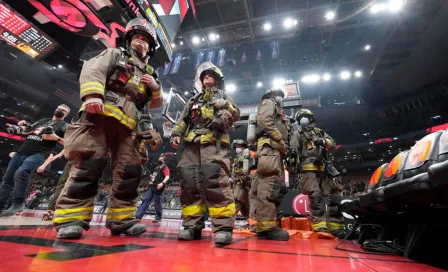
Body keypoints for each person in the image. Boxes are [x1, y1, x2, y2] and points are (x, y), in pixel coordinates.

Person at [53, 18, 163, 239]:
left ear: (150, 48)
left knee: (131, 172)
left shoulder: (150, 74)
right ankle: (71, 219)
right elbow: (92, 69)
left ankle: (122, 220)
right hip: (100, 117)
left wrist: (155, 87)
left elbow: (154, 104)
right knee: (88, 166)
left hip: (130, 128)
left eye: (144, 40)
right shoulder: (115, 54)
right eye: (137, 38)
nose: (140, 43)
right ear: (129, 41)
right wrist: (93, 95)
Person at [170, 63, 239, 245]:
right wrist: (176, 134)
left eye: (211, 75)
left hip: (212, 143)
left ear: (217, 80)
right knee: (189, 182)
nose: (207, 77)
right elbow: (183, 120)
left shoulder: (223, 96)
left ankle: (223, 228)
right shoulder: (193, 100)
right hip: (191, 145)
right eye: (204, 75)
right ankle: (192, 226)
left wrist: (223, 112)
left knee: (215, 181)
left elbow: (235, 114)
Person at [0, 104, 70, 216]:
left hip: (40, 153)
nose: (60, 111)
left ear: (66, 115)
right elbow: (28, 130)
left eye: (64, 111)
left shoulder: (64, 126)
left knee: (22, 172)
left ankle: (18, 203)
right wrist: (19, 128)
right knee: (7, 179)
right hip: (22, 150)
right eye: (59, 109)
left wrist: (55, 138)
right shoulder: (43, 120)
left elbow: (70, 143)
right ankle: (1, 206)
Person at [290, 109, 343, 236]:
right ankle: (320, 225)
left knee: (332, 196)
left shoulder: (319, 132)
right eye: (301, 117)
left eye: (306, 117)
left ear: (311, 118)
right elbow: (293, 150)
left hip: (324, 169)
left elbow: (333, 143)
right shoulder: (297, 133)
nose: (304, 119)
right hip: (308, 171)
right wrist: (294, 168)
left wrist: (323, 142)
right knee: (316, 196)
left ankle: (336, 226)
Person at [252, 89, 290, 241]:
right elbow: (265, 121)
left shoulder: (277, 109)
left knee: (274, 187)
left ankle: (266, 225)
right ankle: (266, 228)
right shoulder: (269, 103)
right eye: (277, 94)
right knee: (268, 185)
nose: (280, 97)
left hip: (275, 151)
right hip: (270, 148)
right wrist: (280, 139)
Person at [230, 139, 257, 231]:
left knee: (236, 204)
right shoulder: (237, 158)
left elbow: (248, 172)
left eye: (239, 146)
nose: (238, 148)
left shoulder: (247, 157)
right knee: (246, 207)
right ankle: (253, 225)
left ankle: (228, 224)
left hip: (244, 184)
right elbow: (235, 172)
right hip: (239, 185)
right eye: (236, 147)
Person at [136, 155, 170, 222]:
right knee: (146, 199)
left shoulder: (165, 167)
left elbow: (167, 176)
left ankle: (158, 217)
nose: (159, 160)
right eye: (159, 159)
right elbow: (154, 177)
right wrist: (149, 175)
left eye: (161, 159)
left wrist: (162, 183)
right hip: (152, 186)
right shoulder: (157, 168)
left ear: (164, 161)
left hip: (158, 186)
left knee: (157, 202)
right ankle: (138, 216)